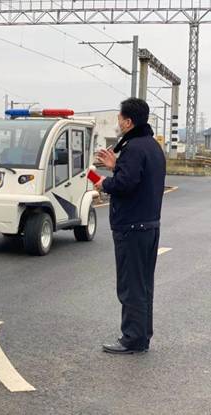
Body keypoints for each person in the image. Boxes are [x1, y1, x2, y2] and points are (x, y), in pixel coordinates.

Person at [95, 98, 166, 354]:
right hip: (149, 226)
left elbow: (125, 184)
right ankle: (142, 335)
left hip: (132, 227)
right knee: (144, 285)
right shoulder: (152, 146)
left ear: (128, 121)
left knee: (131, 286)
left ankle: (132, 339)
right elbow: (138, 177)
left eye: (119, 118)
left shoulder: (134, 148)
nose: (118, 122)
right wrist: (117, 166)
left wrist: (104, 183)